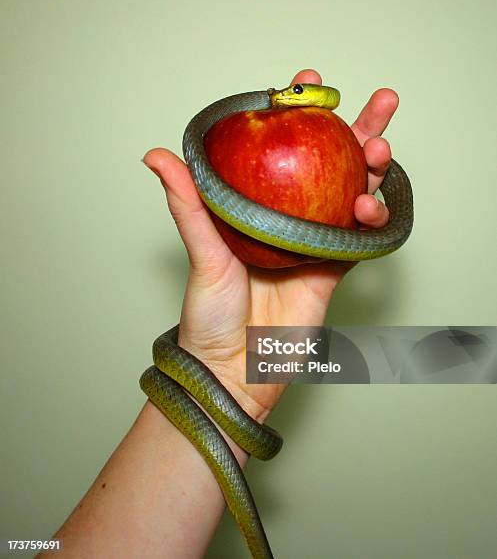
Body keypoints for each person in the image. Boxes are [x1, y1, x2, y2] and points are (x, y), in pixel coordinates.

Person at [41, 68, 395, 558]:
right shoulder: (215, 134)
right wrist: (225, 377)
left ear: (319, 98)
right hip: (218, 371)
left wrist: (232, 384)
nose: (283, 96)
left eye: (295, 94)